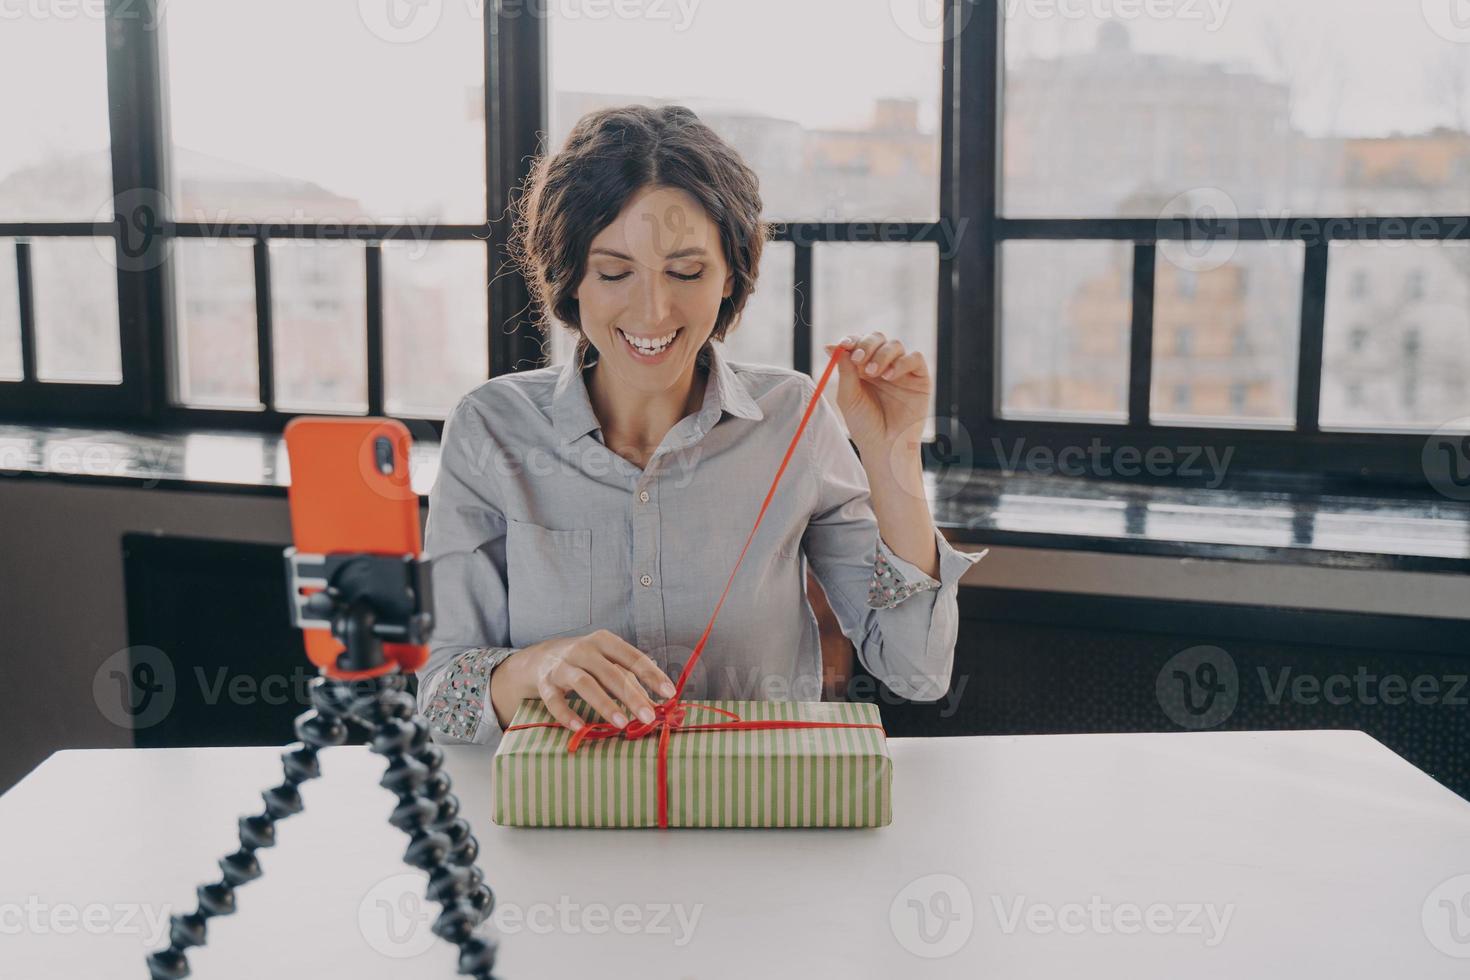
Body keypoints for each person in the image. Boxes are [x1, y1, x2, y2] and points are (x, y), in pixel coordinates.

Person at [416, 104, 984, 750]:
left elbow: (917, 670)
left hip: (758, 824)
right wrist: (531, 668)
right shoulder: (491, 431)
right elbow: (439, 702)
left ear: (729, 279)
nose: (653, 310)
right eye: (613, 272)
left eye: (686, 273)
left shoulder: (792, 419)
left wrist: (894, 454)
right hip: (562, 832)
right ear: (571, 278)